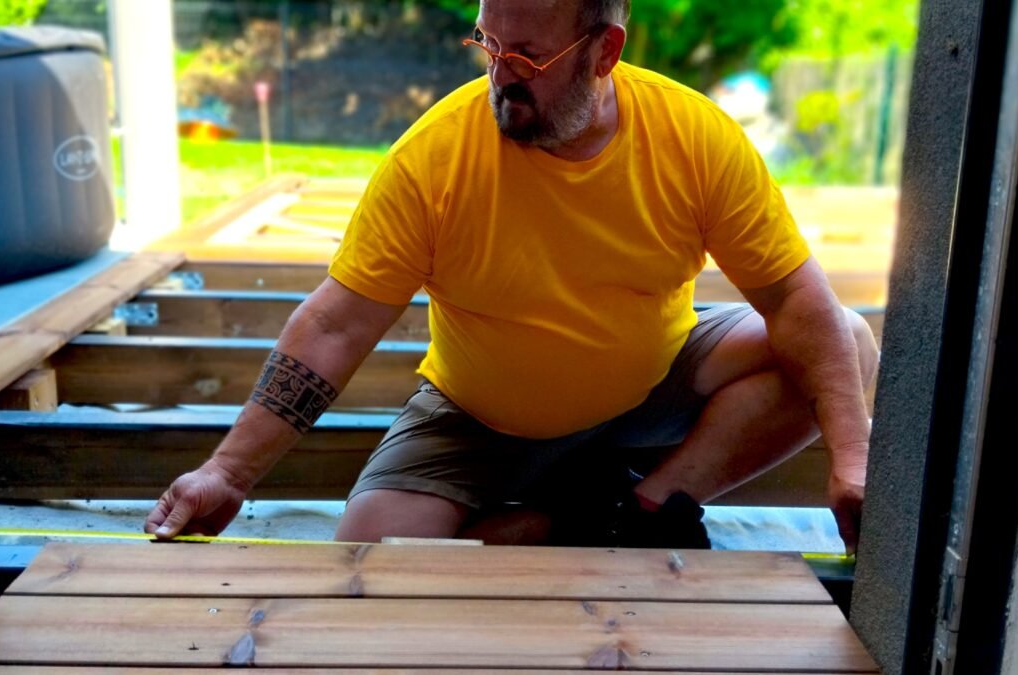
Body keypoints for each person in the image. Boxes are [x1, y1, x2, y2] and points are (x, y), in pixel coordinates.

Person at [145, 0, 879, 553]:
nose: (500, 77)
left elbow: (792, 298)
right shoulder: (435, 158)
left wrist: (853, 460)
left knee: (844, 341)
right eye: (488, 44)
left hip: (650, 386)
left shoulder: (693, 138)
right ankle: (572, 515)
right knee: (376, 557)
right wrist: (229, 473)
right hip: (478, 417)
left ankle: (637, 509)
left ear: (604, 51)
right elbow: (336, 323)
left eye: (526, 58)